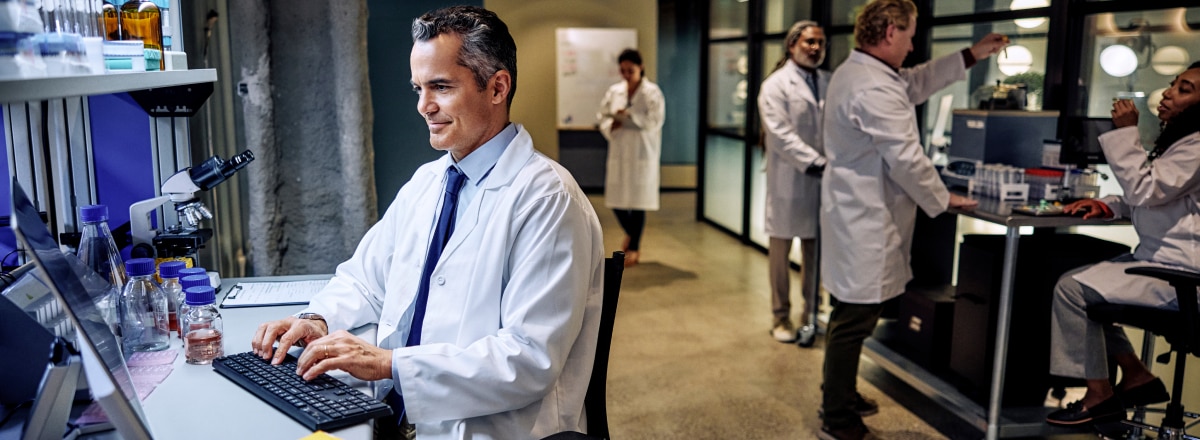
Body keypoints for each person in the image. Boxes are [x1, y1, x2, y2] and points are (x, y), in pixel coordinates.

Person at [249, 6, 606, 439]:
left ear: (497, 87)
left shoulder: (549, 200)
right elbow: (365, 279)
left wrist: (388, 364)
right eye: (418, 88)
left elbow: (527, 360)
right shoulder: (429, 181)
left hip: (491, 428)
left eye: (440, 87)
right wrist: (317, 318)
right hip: (396, 415)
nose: (423, 106)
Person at [818, 1, 1006, 438]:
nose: (912, 43)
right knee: (854, 320)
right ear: (888, 32)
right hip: (864, 216)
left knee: (852, 313)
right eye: (909, 35)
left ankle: (841, 395)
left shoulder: (867, 72)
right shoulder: (873, 87)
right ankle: (836, 415)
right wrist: (942, 198)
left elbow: (916, 81)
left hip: (857, 211)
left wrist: (971, 54)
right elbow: (906, 157)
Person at [1045, 61, 1200, 427]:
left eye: (1185, 90)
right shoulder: (1184, 142)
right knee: (1087, 290)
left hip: (1181, 274)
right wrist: (1108, 205)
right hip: (1164, 263)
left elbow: (1146, 188)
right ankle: (1135, 375)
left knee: (1072, 290)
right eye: (1173, 84)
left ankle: (1100, 394)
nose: (1168, 94)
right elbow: (1154, 196)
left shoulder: (1197, 146)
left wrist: (1126, 132)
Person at [756, 20, 828, 346]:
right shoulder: (775, 85)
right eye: (809, 42)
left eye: (820, 43)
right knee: (780, 255)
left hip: (820, 181)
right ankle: (780, 315)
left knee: (815, 252)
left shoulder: (827, 82)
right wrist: (815, 163)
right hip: (790, 179)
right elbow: (780, 134)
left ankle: (812, 312)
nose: (815, 48)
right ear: (792, 45)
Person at [598, 48, 666, 267]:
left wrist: (631, 116)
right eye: (623, 70)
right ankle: (631, 235)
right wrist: (612, 124)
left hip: (641, 150)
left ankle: (635, 247)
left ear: (641, 67)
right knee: (617, 201)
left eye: (631, 70)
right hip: (620, 149)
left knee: (637, 203)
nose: (626, 75)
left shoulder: (652, 92)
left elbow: (656, 120)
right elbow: (602, 116)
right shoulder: (614, 91)